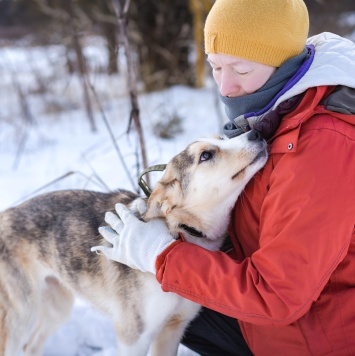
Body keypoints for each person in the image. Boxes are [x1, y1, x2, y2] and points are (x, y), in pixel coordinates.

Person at [92, 0, 355, 354]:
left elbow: (277, 297)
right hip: (287, 316)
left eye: (241, 69)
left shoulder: (324, 146)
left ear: (284, 64)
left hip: (311, 337)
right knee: (165, 293)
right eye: (216, 67)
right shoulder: (276, 111)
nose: (226, 87)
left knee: (170, 289)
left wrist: (164, 256)